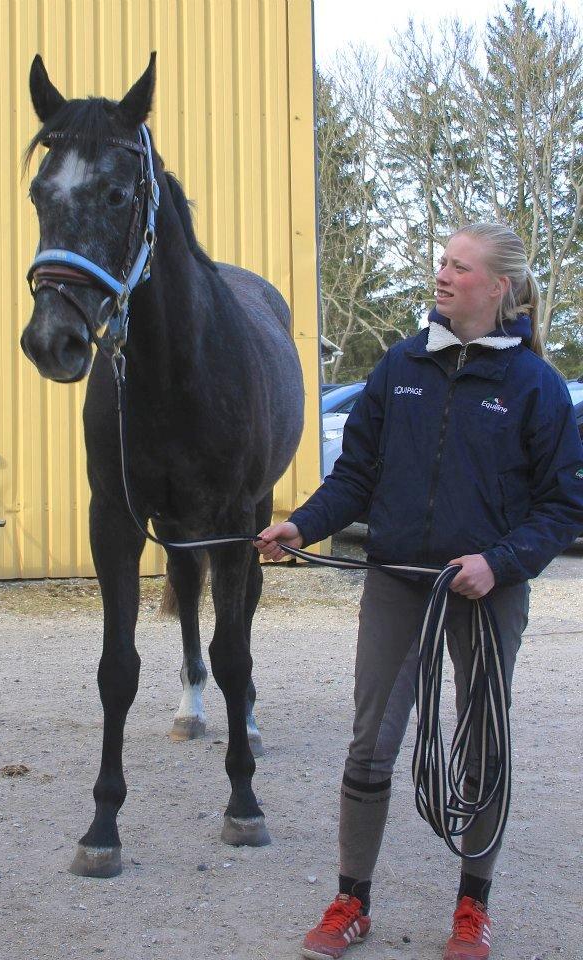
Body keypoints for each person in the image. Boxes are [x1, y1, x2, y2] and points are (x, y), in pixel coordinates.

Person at [256, 223, 583, 960]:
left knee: (480, 746)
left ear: (497, 288)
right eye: (442, 262)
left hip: (484, 592)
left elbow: (564, 507)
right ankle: (351, 900)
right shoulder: (400, 365)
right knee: (371, 744)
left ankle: (473, 906)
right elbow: (357, 476)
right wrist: (302, 526)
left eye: (459, 267)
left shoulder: (535, 386)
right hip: (399, 584)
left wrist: (499, 564)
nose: (442, 275)